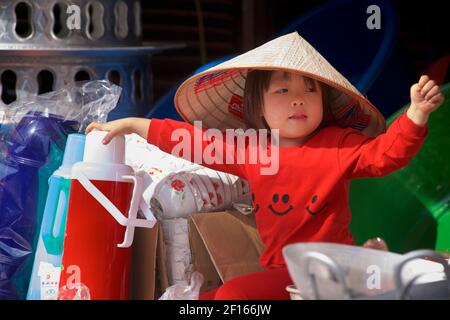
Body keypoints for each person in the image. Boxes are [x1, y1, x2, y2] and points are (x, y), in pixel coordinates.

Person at [86, 32, 445, 299]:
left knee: (232, 298)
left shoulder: (338, 143)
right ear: (257, 109)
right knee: (209, 300)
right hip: (281, 273)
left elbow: (387, 154)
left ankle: (366, 264)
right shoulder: (252, 149)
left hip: (326, 270)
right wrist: (133, 124)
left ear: (324, 103)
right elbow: (194, 142)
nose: (298, 101)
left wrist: (416, 114)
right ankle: (370, 262)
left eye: (310, 90)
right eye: (282, 91)